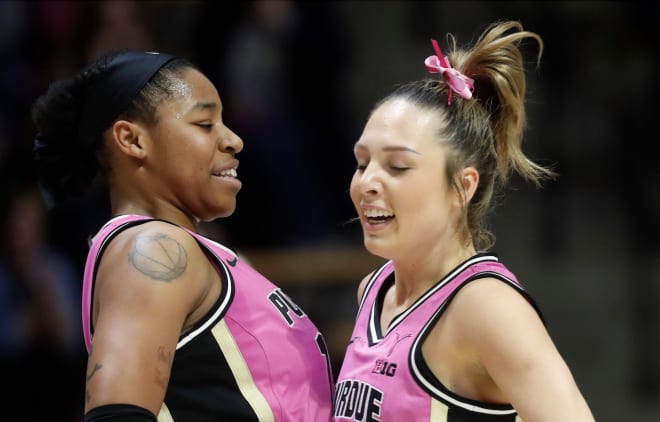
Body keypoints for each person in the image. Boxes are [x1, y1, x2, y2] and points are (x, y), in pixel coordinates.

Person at [31, 49, 334, 421]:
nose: (233, 140)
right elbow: (116, 414)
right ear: (132, 139)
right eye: (205, 124)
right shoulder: (150, 249)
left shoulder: (185, 249)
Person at [333, 21, 595, 421]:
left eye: (398, 167)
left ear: (462, 186)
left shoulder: (488, 308)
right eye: (362, 162)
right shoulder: (373, 290)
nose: (367, 183)